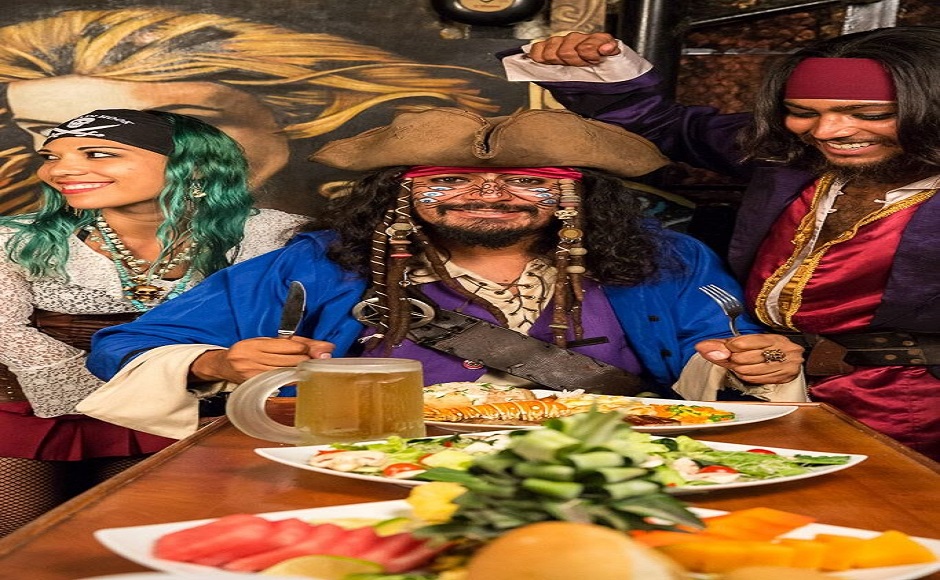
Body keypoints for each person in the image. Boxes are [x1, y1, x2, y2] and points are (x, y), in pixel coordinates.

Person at [83, 107, 805, 443]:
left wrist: (757, 363)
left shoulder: (668, 262)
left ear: (577, 194)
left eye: (529, 183)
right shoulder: (316, 264)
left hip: (605, 462)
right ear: (399, 193)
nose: (487, 195)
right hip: (372, 469)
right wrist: (216, 362)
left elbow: (725, 357)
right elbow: (130, 344)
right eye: (447, 181)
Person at [500, 27, 940, 459]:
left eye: (869, 114)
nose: (827, 131)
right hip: (770, 392)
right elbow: (670, 126)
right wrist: (596, 67)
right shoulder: (790, 158)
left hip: (912, 407)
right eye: (802, 111)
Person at [0, 108, 306, 535]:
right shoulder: (16, 238)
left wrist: (190, 396)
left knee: (144, 528)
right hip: (37, 407)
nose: (60, 170)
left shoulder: (273, 235)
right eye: (52, 156)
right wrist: (133, 395)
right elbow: (8, 332)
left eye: (96, 153)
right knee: (16, 531)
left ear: (193, 167)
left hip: (198, 409)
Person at [0, 7, 510, 216]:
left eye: (180, 120)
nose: (114, 151)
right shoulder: (24, 245)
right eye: (54, 130)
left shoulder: (317, 243)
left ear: (288, 115)